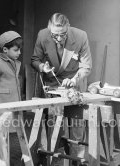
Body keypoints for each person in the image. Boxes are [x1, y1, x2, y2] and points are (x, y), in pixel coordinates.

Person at [31, 13, 92, 165]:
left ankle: (76, 160)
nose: (58, 39)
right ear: (48, 29)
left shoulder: (81, 36)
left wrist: (74, 80)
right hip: (52, 83)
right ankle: (53, 157)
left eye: (63, 35)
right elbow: (35, 60)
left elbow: (86, 66)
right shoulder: (42, 35)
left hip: (74, 83)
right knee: (53, 123)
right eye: (54, 35)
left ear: (68, 27)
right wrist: (42, 67)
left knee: (76, 126)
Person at [0, 31, 23, 166]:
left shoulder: (15, 63)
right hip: (1, 112)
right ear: (5, 49)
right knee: (2, 147)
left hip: (15, 111)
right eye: (16, 50)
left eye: (20, 50)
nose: (19, 53)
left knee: (15, 146)